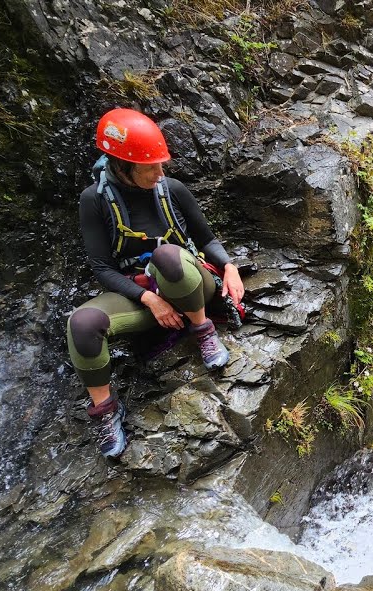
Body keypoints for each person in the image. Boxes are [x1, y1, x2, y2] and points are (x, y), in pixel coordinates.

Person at [66, 108, 245, 458]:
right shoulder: (94, 200)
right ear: (121, 165)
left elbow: (206, 240)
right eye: (150, 166)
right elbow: (102, 267)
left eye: (161, 164)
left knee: (167, 256)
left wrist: (229, 266)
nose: (159, 173)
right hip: (143, 293)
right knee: (82, 324)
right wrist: (148, 300)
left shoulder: (172, 189)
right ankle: (106, 411)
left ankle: (203, 331)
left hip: (190, 284)